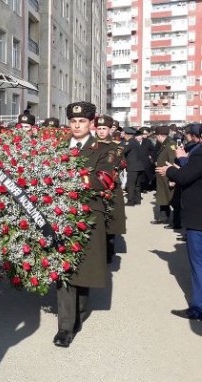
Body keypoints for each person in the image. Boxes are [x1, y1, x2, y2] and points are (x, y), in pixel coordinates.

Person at [54, 102, 115, 348]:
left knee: (84, 268)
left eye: (82, 121)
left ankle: (78, 312)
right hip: (60, 214)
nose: (77, 125)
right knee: (64, 269)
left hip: (90, 214)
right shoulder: (59, 147)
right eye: (73, 121)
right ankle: (65, 328)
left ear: (91, 123)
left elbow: (105, 179)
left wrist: (70, 176)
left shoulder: (103, 148)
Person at [156, 131, 202, 320]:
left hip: (198, 218)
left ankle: (198, 307)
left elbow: (185, 178)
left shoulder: (199, 153)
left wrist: (170, 170)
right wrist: (183, 162)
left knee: (198, 265)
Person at [95, 115, 126, 264]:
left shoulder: (117, 148)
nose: (101, 131)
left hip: (111, 188)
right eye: (99, 128)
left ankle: (109, 252)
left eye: (104, 128)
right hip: (94, 187)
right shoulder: (90, 145)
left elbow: (115, 165)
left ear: (109, 130)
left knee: (111, 221)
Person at [151, 126, 176, 225]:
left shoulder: (170, 144)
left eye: (156, 136)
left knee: (172, 199)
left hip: (168, 176)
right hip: (162, 177)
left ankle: (176, 222)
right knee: (163, 197)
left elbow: (173, 161)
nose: (156, 138)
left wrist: (173, 179)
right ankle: (163, 218)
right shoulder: (164, 144)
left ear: (159, 136)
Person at [123, 127, 146, 206]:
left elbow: (124, 150)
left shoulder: (130, 142)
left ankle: (131, 201)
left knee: (131, 184)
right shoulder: (135, 141)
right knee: (137, 184)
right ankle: (138, 199)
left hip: (133, 166)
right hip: (139, 166)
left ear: (127, 135)